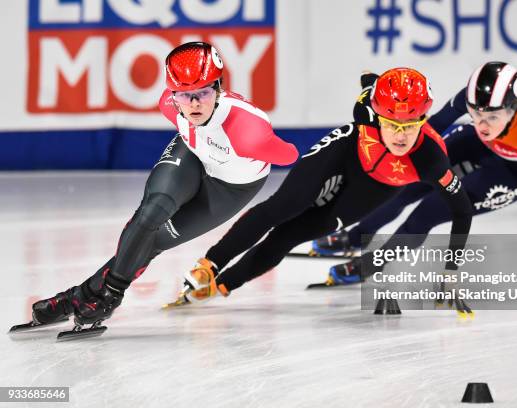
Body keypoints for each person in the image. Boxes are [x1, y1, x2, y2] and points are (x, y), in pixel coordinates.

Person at [25, 42, 299, 333]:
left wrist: (260, 148)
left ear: (218, 89)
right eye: (184, 94)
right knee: (151, 213)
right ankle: (108, 297)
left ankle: (80, 296)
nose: (194, 104)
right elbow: (185, 109)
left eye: (203, 93)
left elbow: (290, 155)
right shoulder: (169, 105)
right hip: (194, 153)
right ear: (172, 95)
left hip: (231, 187)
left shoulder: (248, 132)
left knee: (156, 241)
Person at [164, 67, 474, 315]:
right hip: (347, 150)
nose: (400, 135)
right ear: (376, 114)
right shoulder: (364, 111)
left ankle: (223, 286)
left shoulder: (431, 159)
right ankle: (210, 265)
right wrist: (369, 79)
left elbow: (462, 209)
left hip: (377, 187)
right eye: (391, 123)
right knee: (285, 205)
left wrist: (451, 271)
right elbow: (369, 79)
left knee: (292, 233)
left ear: (423, 120)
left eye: (410, 125)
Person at [313, 62, 517, 302]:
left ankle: (370, 264)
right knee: (408, 182)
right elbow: (432, 127)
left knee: (427, 213)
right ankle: (352, 238)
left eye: (492, 117)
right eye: (475, 115)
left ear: (514, 109)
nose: (482, 123)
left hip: (515, 173)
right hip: (479, 146)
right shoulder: (477, 102)